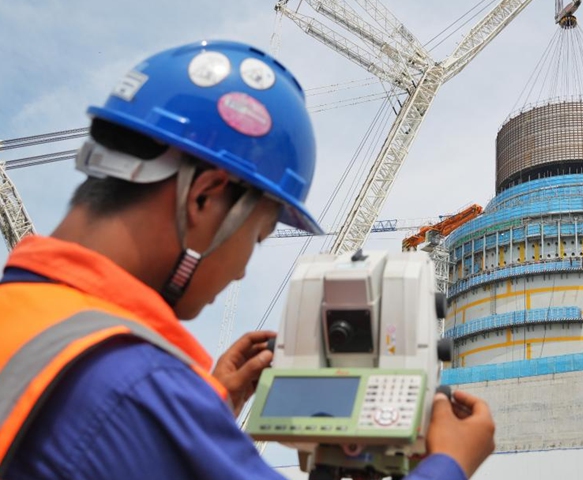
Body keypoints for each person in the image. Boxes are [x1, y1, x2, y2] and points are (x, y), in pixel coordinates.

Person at [0, 40, 495, 479]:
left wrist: (206, 410)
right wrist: (448, 462)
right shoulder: (138, 387)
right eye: (256, 238)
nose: (240, 271)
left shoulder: (27, 321)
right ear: (205, 196)